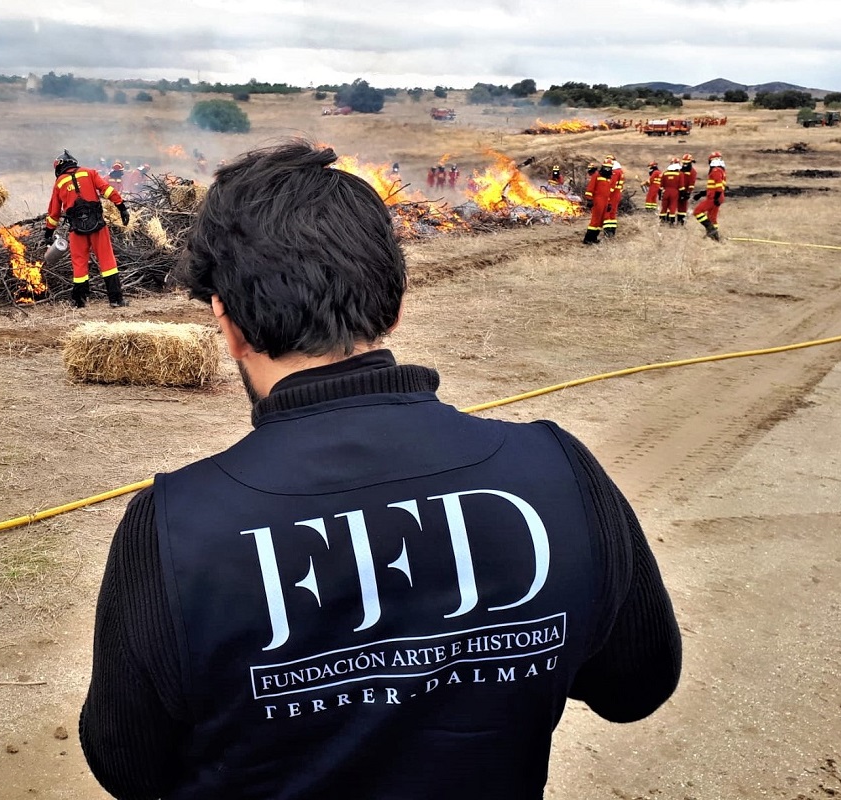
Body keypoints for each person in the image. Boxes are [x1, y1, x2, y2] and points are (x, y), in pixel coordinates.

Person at [79, 140, 682, 799]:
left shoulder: (172, 528)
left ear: (226, 322)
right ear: (392, 301)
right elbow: (635, 686)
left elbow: (129, 766)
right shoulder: (559, 472)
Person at [42, 149, 131, 308]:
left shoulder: (59, 183)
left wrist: (48, 233)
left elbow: (54, 213)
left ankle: (80, 302)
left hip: (76, 230)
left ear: (59, 168)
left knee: (79, 264)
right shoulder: (90, 173)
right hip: (98, 226)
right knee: (107, 260)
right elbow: (107, 189)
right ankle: (116, 300)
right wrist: (121, 207)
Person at [693, 151, 727, 241]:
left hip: (713, 197)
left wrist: (716, 197)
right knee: (712, 218)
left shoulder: (715, 171)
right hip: (716, 196)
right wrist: (701, 194)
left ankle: (710, 230)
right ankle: (715, 238)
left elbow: (718, 186)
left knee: (697, 211)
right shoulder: (721, 170)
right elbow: (714, 187)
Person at [582, 158, 612, 244]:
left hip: (605, 202)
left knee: (600, 221)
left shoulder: (608, 178)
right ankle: (588, 239)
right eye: (605, 167)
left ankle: (594, 238)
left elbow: (608, 193)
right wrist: (589, 199)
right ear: (602, 167)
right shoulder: (596, 176)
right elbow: (590, 188)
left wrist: (609, 203)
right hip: (597, 201)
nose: (607, 169)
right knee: (595, 220)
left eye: (609, 168)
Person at [602, 155, 624, 238]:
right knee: (613, 213)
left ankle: (608, 232)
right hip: (617, 194)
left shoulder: (615, 171)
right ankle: (612, 231)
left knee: (607, 212)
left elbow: (611, 184)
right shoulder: (620, 170)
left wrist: (606, 194)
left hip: (612, 195)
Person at [658, 156, 683, 226]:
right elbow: (681, 187)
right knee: (672, 207)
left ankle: (662, 221)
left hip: (665, 192)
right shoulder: (679, 174)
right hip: (674, 192)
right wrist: (682, 195)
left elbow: (661, 186)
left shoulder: (665, 173)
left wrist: (660, 195)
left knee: (664, 207)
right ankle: (671, 223)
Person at [676, 154, 697, 225]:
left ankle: (681, 222)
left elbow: (692, 183)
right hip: (677, 190)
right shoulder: (680, 170)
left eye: (686, 163)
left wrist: (688, 193)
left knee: (683, 207)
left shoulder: (692, 172)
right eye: (683, 163)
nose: (684, 164)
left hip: (685, 192)